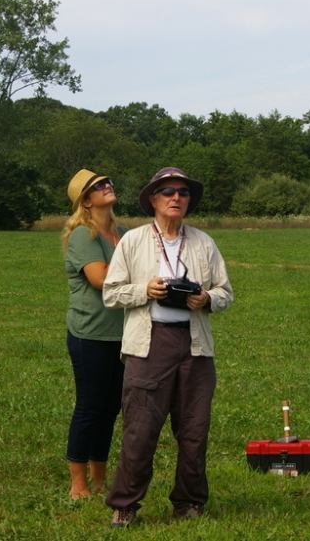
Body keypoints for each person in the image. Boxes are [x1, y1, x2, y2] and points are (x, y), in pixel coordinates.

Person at [103, 167, 234, 527]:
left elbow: (226, 293)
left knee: (194, 429)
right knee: (140, 428)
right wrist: (145, 289)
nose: (176, 197)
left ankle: (189, 502)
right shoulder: (133, 241)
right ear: (153, 201)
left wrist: (206, 298)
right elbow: (111, 292)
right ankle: (125, 505)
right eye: (168, 192)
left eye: (183, 192)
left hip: (195, 347)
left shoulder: (204, 242)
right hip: (149, 344)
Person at [62, 169, 128, 499]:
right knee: (90, 407)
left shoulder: (124, 233)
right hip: (90, 335)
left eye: (108, 182)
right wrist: (140, 275)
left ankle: (100, 480)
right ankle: (78, 484)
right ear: (86, 201)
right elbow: (100, 278)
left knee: (110, 408)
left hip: (124, 334)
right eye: (98, 186)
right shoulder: (82, 236)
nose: (107, 186)